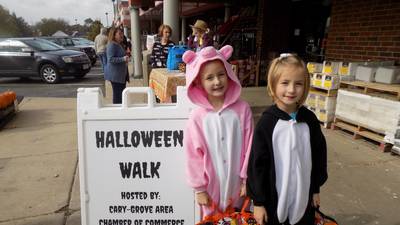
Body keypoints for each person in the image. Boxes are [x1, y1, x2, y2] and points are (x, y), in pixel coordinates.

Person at [246, 54, 328, 225]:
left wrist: (315, 189)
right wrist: (259, 202)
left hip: (303, 197)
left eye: (298, 84)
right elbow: (257, 165)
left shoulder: (309, 120)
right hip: (273, 199)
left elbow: (319, 157)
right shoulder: (267, 123)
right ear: (273, 84)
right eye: (285, 83)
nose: (291, 90)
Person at [182, 45, 254, 218]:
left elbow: (250, 145)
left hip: (238, 186)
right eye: (209, 77)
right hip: (210, 189)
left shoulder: (243, 110)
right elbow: (193, 155)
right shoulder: (197, 117)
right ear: (198, 81)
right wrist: (199, 188)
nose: (217, 81)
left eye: (221, 74)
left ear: (229, 75)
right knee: (211, 220)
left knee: (239, 218)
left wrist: (247, 179)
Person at [104, 27, 129, 104]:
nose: (122, 35)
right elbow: (110, 59)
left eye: (122, 33)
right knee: (118, 96)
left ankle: (120, 111)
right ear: (114, 35)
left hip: (120, 75)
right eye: (119, 33)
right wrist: (123, 59)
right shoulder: (112, 45)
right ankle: (117, 112)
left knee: (121, 95)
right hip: (116, 76)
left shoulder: (118, 44)